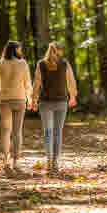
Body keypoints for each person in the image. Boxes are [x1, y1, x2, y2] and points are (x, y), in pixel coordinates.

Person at [32, 41, 77, 173]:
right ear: (60, 51)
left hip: (45, 102)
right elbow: (71, 81)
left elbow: (36, 83)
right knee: (57, 132)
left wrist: (34, 99)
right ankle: (55, 162)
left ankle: (49, 160)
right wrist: (73, 96)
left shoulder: (41, 64)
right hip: (61, 101)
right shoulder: (65, 64)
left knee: (48, 132)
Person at [0, 41, 32, 171]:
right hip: (19, 100)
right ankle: (16, 161)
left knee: (6, 131)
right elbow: (27, 83)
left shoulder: (0, 63)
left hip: (5, 101)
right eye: (20, 49)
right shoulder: (23, 63)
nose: (21, 51)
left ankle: (6, 159)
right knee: (17, 131)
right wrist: (30, 99)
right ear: (16, 50)